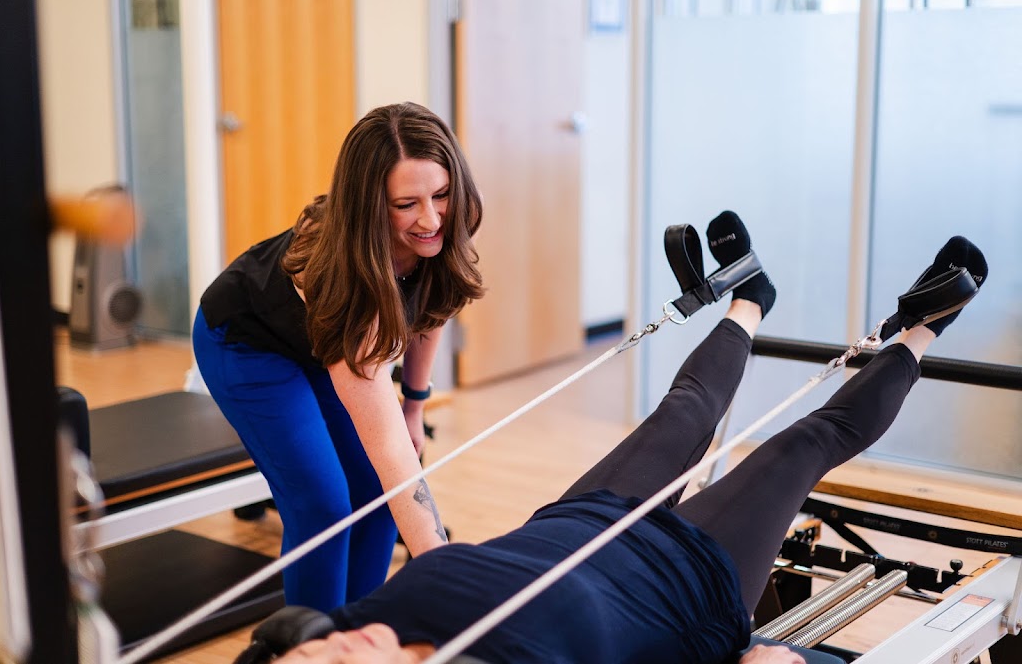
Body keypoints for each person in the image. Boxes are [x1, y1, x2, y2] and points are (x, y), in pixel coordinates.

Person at [262, 213, 989, 664]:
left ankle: (748, 299)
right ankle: (926, 328)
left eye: (307, 655)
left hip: (576, 521)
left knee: (684, 411)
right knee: (801, 444)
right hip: (691, 585)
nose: (331, 649)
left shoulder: (355, 625)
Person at [192, 102, 485, 610]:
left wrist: (414, 406)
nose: (431, 218)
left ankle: (359, 629)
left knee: (374, 492)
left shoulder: (445, 225)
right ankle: (317, 645)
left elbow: (429, 309)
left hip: (322, 344)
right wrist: (442, 579)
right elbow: (392, 452)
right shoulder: (344, 277)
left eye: (440, 195)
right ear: (370, 205)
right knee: (324, 504)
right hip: (248, 344)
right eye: (406, 205)